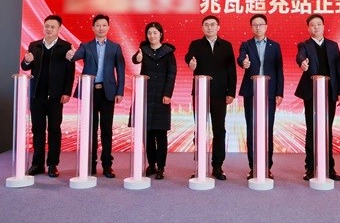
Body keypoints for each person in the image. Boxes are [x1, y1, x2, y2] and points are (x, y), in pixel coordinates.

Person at [67, 14, 126, 178]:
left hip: (108, 93)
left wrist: (120, 91)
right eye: (98, 25)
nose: (101, 28)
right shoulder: (85, 46)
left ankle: (107, 165)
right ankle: (90, 164)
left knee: (106, 130)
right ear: (93, 28)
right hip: (89, 92)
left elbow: (120, 71)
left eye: (104, 25)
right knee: (90, 129)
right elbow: (75, 56)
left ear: (108, 27)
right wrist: (71, 55)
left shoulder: (115, 47)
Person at [21, 15, 75, 178]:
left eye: (52, 27)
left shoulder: (66, 47)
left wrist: (67, 92)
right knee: (37, 129)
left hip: (56, 96)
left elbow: (70, 72)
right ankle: (37, 164)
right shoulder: (34, 45)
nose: (49, 29)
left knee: (54, 129)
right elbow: (25, 67)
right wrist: (27, 60)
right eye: (47, 26)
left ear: (59, 29)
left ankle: (52, 164)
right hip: (37, 95)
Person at [185, 15, 236, 180]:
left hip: (220, 94)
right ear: (202, 28)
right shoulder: (196, 44)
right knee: (200, 130)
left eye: (212, 24)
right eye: (206, 25)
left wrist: (231, 92)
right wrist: (191, 62)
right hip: (200, 93)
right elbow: (189, 57)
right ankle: (199, 166)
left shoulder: (226, 45)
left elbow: (232, 70)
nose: (209, 27)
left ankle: (217, 166)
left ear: (218, 27)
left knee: (219, 130)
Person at [295, 14, 340, 181]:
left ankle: (329, 168)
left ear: (323, 26)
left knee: (327, 130)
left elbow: (339, 68)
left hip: (329, 93)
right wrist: (302, 63)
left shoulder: (333, 45)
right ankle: (310, 168)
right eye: (312, 25)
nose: (316, 27)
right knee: (312, 130)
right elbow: (300, 56)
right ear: (308, 28)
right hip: (312, 93)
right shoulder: (305, 45)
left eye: (318, 24)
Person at [237, 14, 284, 180]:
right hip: (251, 92)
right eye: (255, 25)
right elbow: (240, 58)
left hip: (269, 93)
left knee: (267, 129)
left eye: (261, 24)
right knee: (252, 129)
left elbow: (279, 70)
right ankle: (253, 167)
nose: (258, 27)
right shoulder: (246, 45)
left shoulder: (275, 46)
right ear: (251, 27)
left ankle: (267, 167)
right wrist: (244, 63)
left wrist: (279, 92)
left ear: (266, 26)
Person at [131, 22, 176, 180]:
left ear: (160, 34)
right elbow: (135, 59)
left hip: (161, 97)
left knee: (161, 134)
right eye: (149, 33)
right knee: (147, 133)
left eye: (155, 33)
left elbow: (171, 74)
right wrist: (137, 58)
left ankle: (161, 167)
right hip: (146, 96)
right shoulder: (143, 50)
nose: (152, 36)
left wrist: (168, 94)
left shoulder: (168, 52)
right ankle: (152, 164)